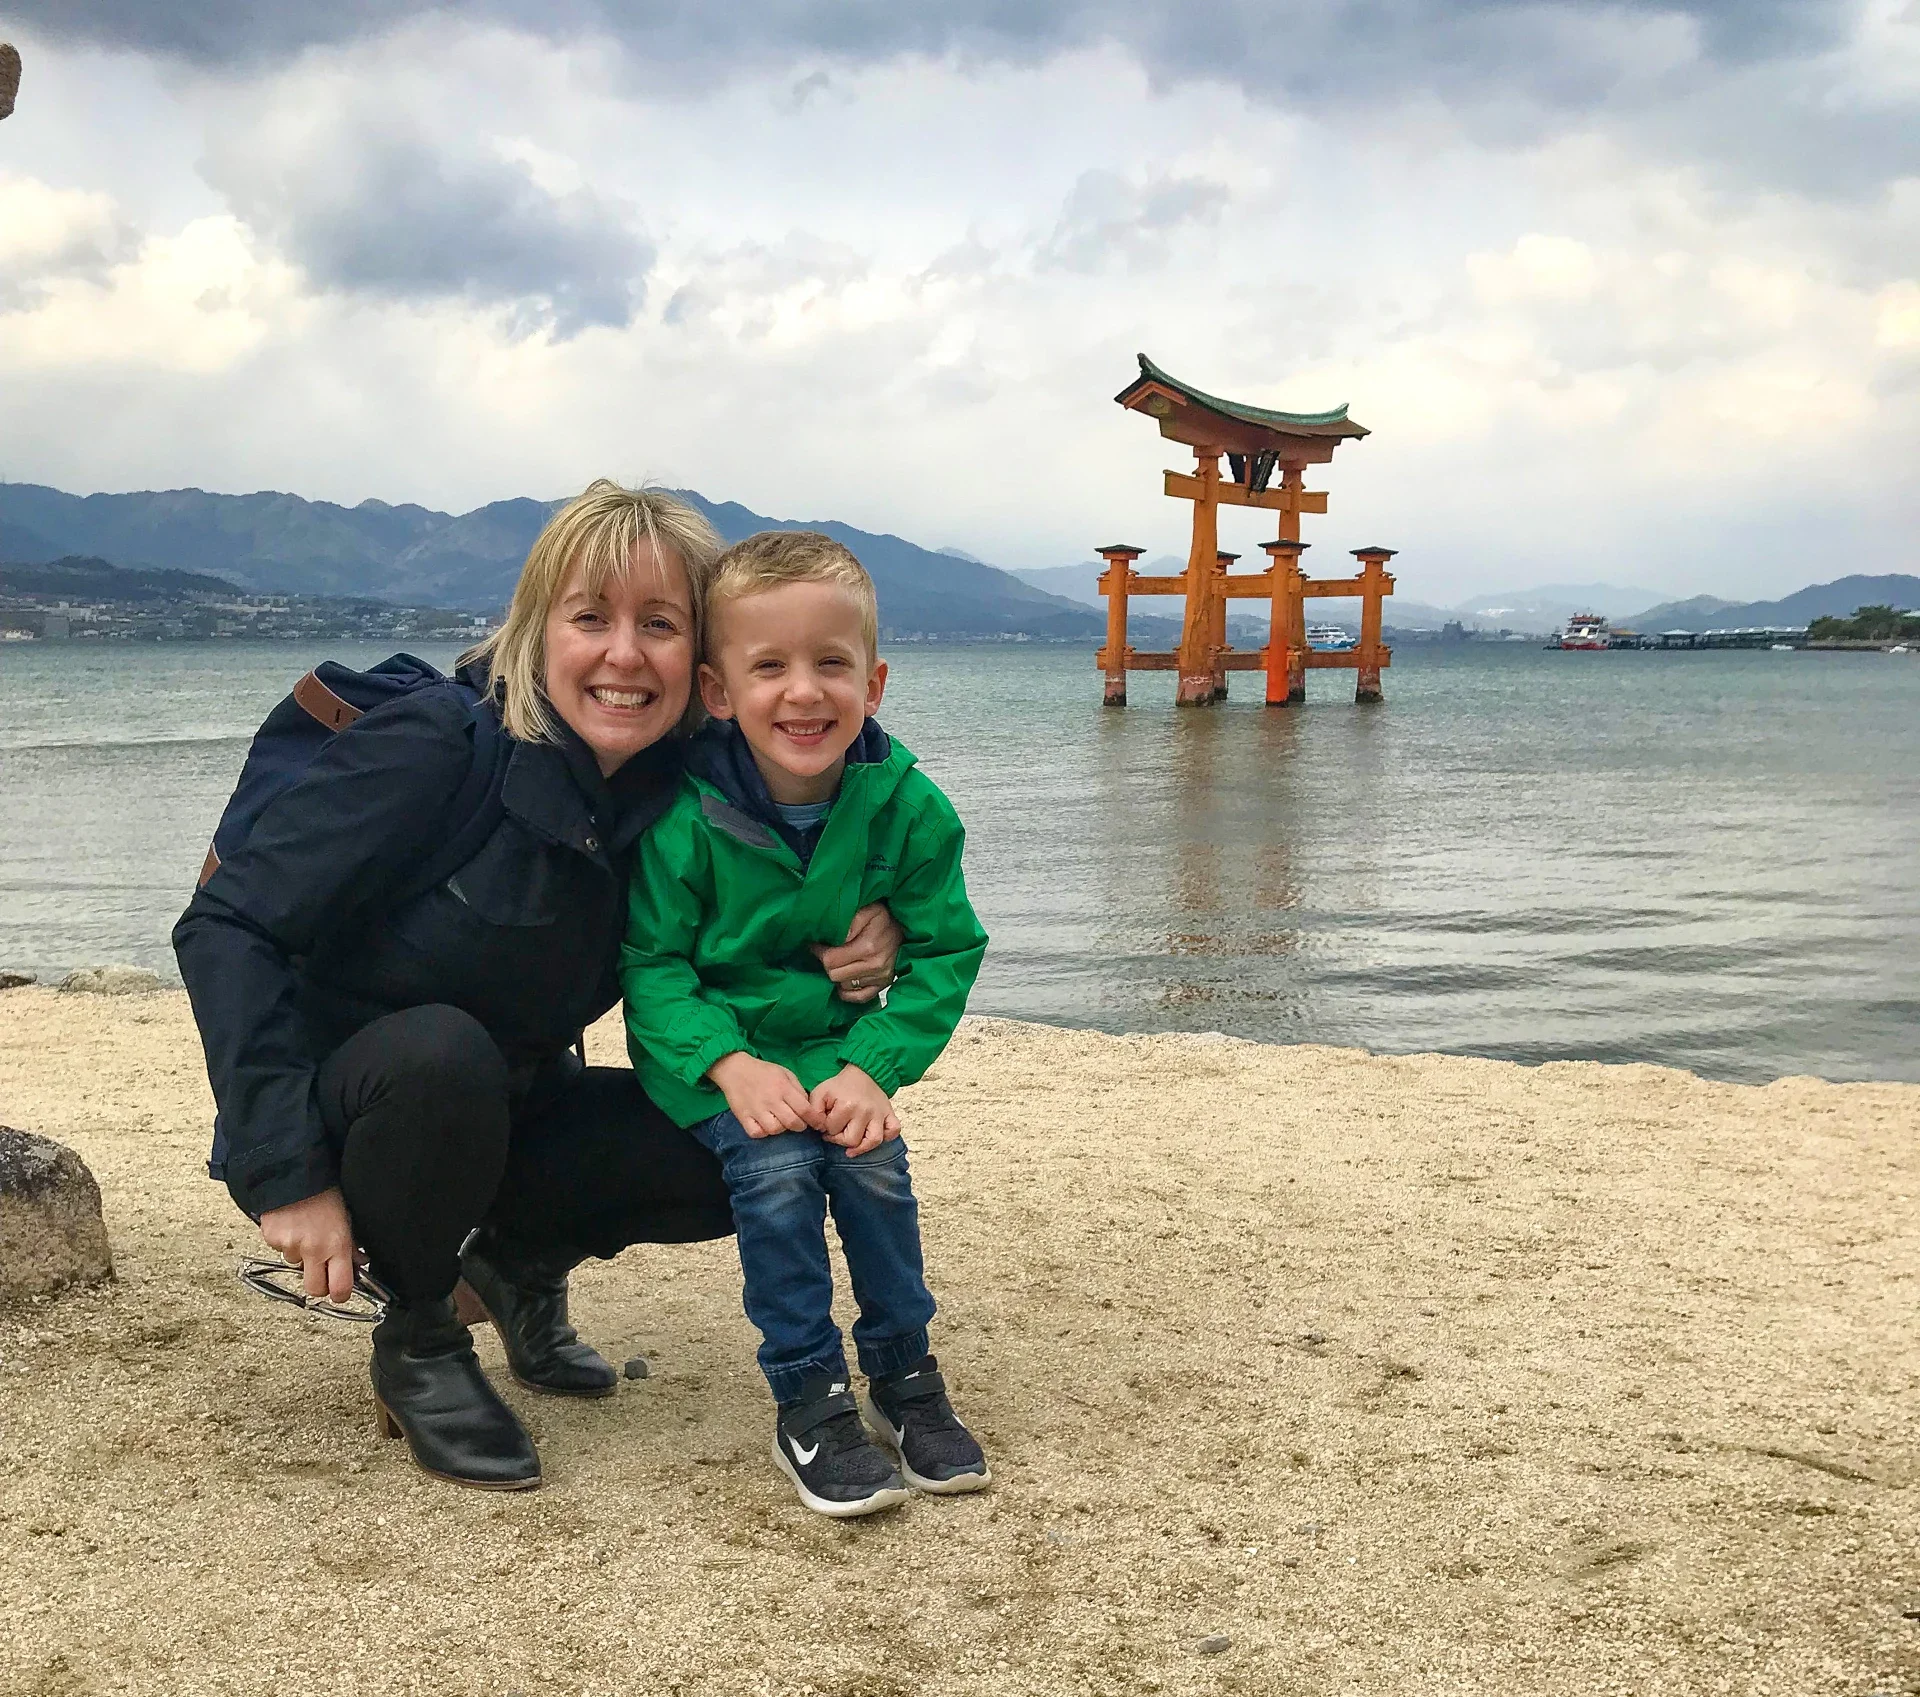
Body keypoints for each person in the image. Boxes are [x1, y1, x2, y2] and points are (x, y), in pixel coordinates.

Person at [173, 482, 904, 1492]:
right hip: (362, 1106)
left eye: (659, 624)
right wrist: (285, 1168)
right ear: (537, 628)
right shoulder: (437, 746)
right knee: (443, 1054)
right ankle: (420, 1334)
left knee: (758, 1135)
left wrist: (880, 913)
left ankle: (511, 1266)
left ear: (702, 663)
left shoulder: (683, 780)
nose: (623, 655)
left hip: (513, 1101)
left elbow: (831, 757)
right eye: (590, 618)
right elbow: (226, 925)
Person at [620, 529, 990, 1519]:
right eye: (769, 666)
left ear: (873, 682)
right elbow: (652, 964)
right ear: (716, 690)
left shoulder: (908, 808)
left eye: (831, 663)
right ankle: (809, 1396)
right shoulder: (685, 816)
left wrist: (873, 1065)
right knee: (779, 1167)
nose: (803, 692)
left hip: (835, 1044)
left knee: (873, 1164)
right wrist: (727, 1063)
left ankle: (905, 1373)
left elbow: (947, 951)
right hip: (717, 1052)